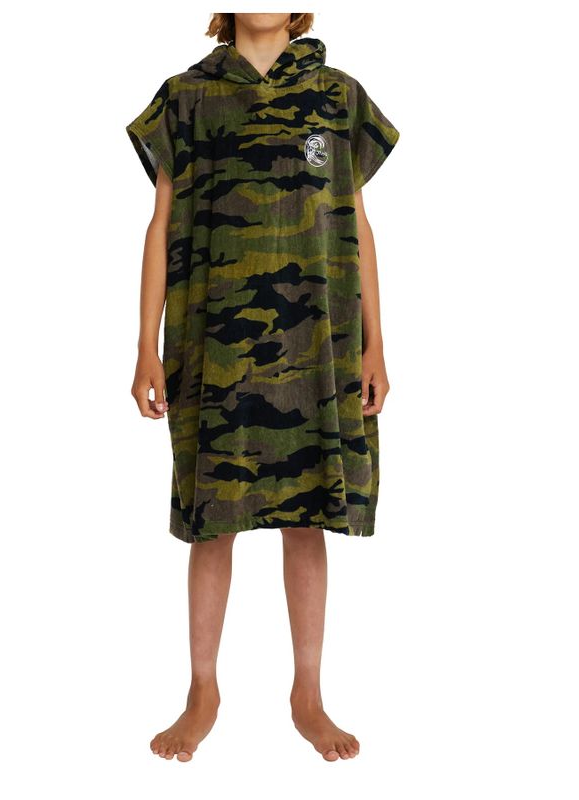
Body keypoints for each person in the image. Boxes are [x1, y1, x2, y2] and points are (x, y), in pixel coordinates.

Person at [125, 12, 400, 762]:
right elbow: (160, 224)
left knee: (306, 514)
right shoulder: (186, 97)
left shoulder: (338, 96)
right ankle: (202, 690)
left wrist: (377, 341)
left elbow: (358, 223)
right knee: (211, 519)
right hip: (211, 341)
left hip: (319, 343)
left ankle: (307, 692)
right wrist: (145, 346)